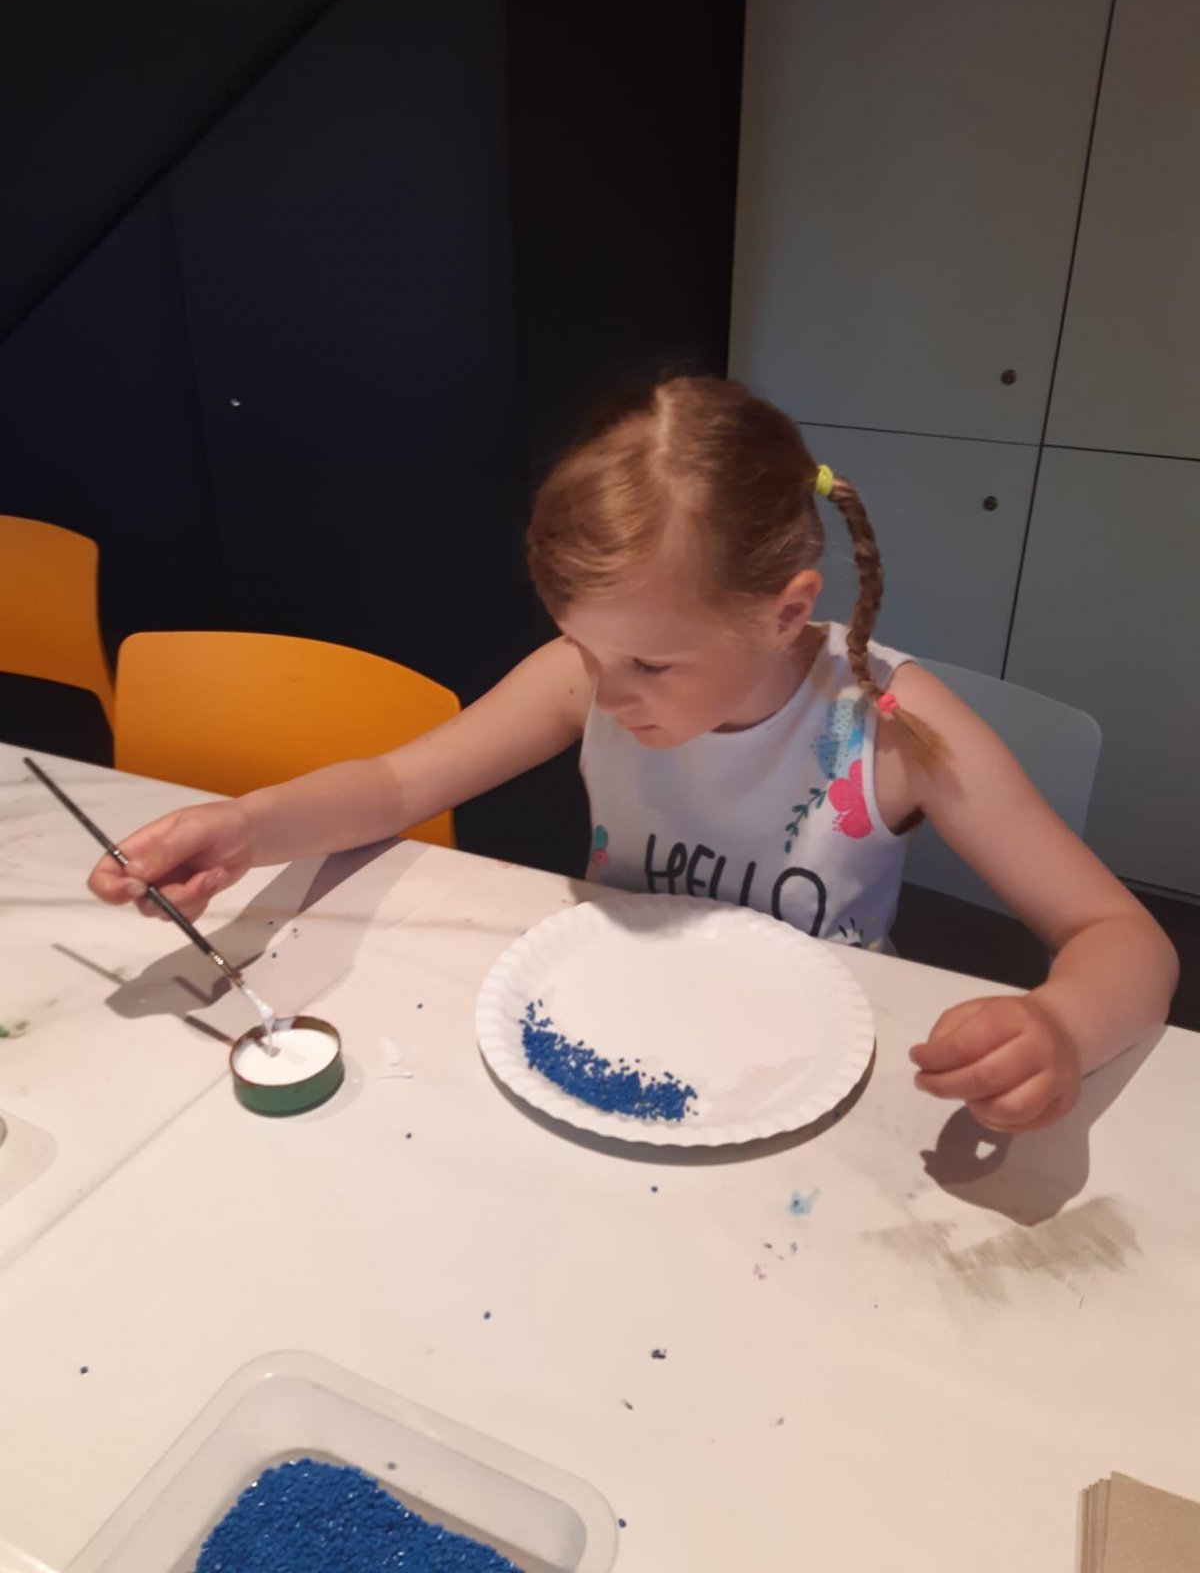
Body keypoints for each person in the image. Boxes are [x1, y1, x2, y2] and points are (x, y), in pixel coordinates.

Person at [88, 378, 1177, 1132]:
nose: (609, 697)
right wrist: (247, 824)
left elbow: (1125, 941)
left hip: (809, 1080)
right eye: (587, 650)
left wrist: (1059, 1024)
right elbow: (398, 783)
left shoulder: (890, 725)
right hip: (620, 1042)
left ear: (783, 609)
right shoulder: (590, 677)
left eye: (652, 664)